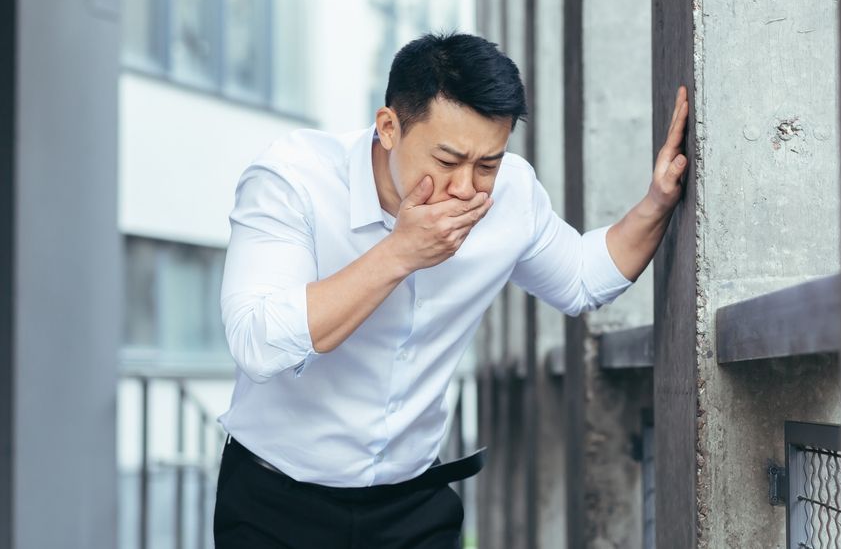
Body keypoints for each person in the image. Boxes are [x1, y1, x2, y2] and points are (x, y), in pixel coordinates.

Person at [212, 32, 689, 548]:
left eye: (488, 163)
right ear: (389, 127)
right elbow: (258, 343)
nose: (467, 187)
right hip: (275, 503)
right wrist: (399, 254)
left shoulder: (510, 194)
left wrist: (658, 201)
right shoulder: (293, 180)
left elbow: (581, 278)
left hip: (415, 506)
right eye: (447, 161)